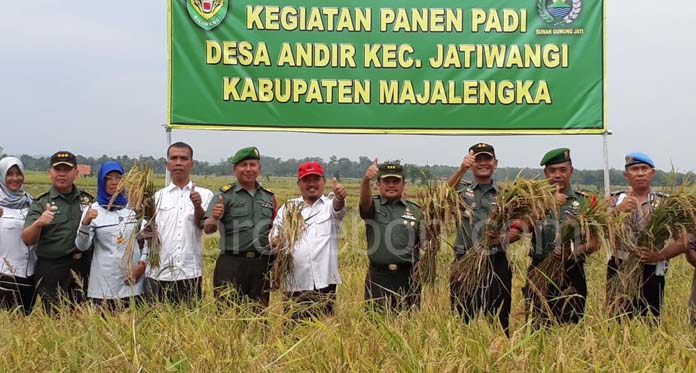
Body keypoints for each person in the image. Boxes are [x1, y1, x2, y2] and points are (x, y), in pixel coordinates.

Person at [447, 144, 521, 334]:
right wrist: (461, 169)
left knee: (498, 322)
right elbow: (441, 197)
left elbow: (518, 229)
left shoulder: (506, 195)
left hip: (496, 262)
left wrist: (501, 239)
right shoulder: (460, 191)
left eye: (487, 159)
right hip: (465, 260)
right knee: (462, 321)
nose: (482, 163)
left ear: (494, 163)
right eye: (477, 159)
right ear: (471, 164)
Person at [523, 148, 598, 325]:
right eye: (552, 171)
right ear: (545, 173)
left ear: (571, 171)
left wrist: (572, 252)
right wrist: (547, 206)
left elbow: (595, 243)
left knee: (571, 327)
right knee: (537, 328)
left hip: (572, 270)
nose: (557, 175)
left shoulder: (586, 202)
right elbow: (523, 227)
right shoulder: (534, 200)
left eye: (563, 170)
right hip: (540, 269)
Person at [271, 161, 347, 319]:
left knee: (325, 330)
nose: (311, 184)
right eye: (306, 180)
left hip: (325, 281)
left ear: (324, 182)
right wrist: (277, 241)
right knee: (293, 329)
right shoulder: (288, 208)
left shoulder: (329, 206)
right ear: (299, 183)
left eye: (316, 179)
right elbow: (274, 237)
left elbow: (338, 208)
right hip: (294, 281)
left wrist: (340, 197)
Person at [204, 146, 277, 308]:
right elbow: (208, 229)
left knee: (258, 317)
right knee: (226, 315)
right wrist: (215, 218)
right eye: (243, 165)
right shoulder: (224, 195)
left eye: (252, 165)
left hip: (261, 265)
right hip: (231, 263)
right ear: (235, 169)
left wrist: (276, 266)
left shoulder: (269, 197)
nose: (248, 169)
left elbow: (274, 233)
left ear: (259, 168)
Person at [22, 151, 94, 314]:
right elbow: (27, 239)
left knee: (82, 318)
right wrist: (39, 223)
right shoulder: (41, 202)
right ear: (50, 173)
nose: (62, 174)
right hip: (52, 269)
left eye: (67, 170)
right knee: (55, 318)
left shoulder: (87, 201)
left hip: (82, 267)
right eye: (58, 169)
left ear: (76, 173)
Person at [143, 142, 213, 305]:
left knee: (188, 327)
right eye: (174, 158)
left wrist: (197, 205)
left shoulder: (204, 194)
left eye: (183, 158)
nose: (178, 162)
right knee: (157, 325)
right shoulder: (156, 197)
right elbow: (144, 233)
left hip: (190, 273)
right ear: (167, 164)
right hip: (158, 272)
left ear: (191, 164)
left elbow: (204, 225)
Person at [75, 161, 146, 311]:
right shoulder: (92, 210)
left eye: (118, 178)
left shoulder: (133, 208)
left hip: (133, 282)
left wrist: (142, 264)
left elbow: (150, 239)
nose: (114, 183)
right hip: (104, 285)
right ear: (102, 181)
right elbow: (82, 246)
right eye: (109, 178)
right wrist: (86, 223)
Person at [359, 160, 424, 313]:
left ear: (403, 184)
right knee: (377, 326)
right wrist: (366, 179)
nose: (391, 185)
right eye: (386, 181)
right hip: (379, 276)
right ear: (378, 184)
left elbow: (424, 242)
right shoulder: (373, 205)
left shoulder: (416, 211)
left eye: (396, 181)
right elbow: (364, 202)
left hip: (408, 277)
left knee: (410, 325)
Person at [0, 157, 37, 315]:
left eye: (18, 173)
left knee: (24, 326)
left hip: (30, 275)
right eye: (9, 174)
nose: (15, 178)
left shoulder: (31, 202)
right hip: (5, 276)